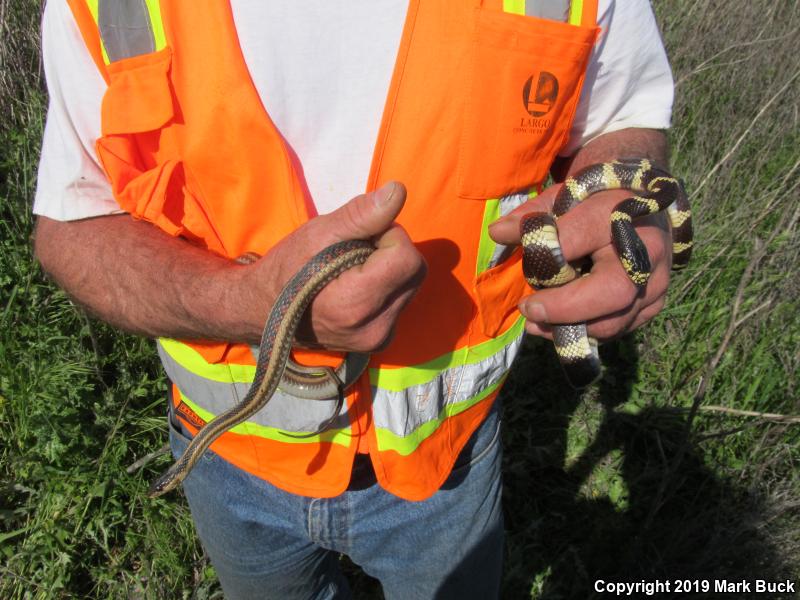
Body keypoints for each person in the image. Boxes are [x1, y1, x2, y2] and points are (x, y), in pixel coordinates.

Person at [33, 1, 676, 597]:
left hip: (447, 458)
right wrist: (245, 301)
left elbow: (624, 113)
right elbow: (71, 223)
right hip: (228, 464)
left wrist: (631, 205)